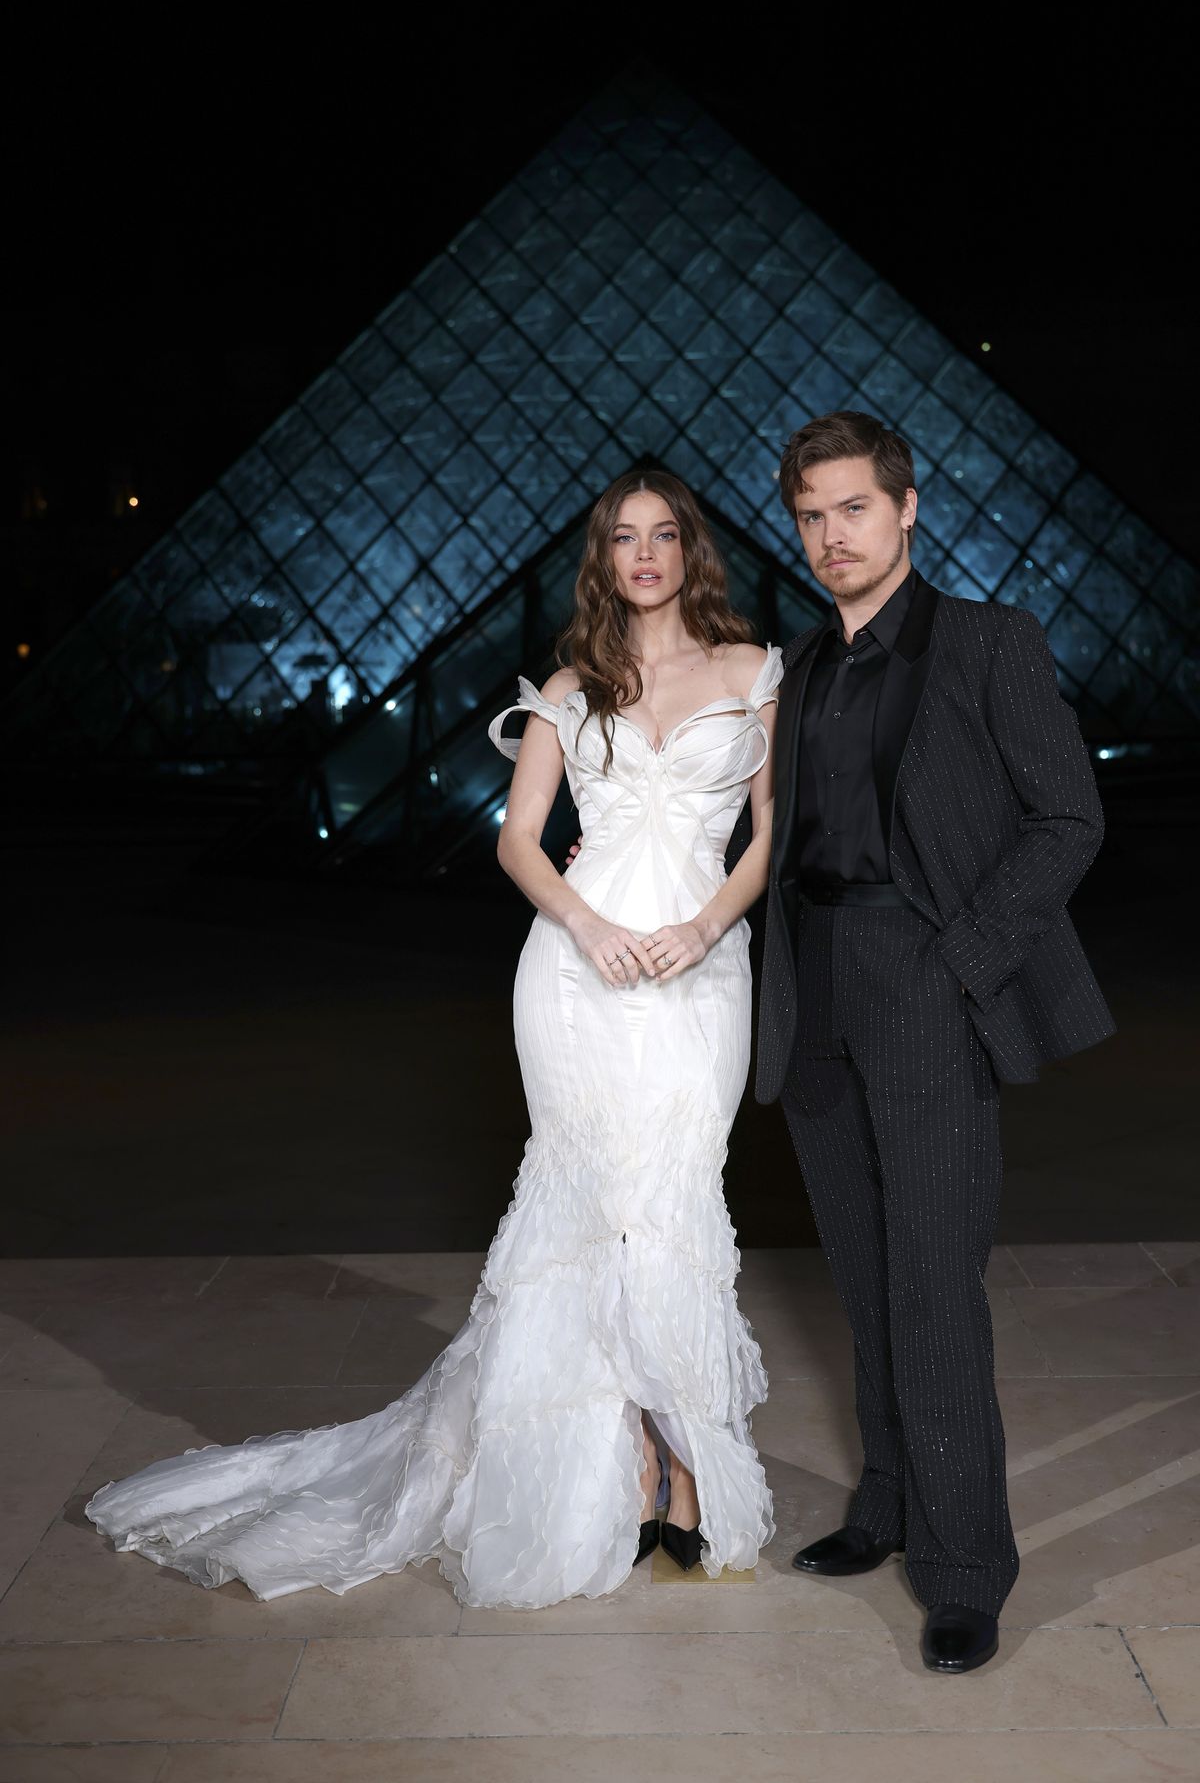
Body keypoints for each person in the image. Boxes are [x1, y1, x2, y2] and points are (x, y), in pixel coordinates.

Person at [85, 470, 781, 1609]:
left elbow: (766, 838)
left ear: (692, 551)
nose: (644, 554)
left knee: (672, 1205)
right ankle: (657, 1472)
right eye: (622, 537)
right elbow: (518, 842)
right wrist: (592, 928)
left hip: (703, 973)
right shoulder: (569, 684)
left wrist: (705, 928)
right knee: (592, 1213)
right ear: (602, 558)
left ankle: (669, 1451)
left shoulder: (758, 674)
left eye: (663, 535)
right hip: (576, 972)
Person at [757, 411, 1114, 1672]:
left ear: (908, 509)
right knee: (862, 1276)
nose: (829, 535)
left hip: (925, 984)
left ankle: (967, 1566)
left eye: (853, 508)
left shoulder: (986, 643)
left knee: (935, 1285)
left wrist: (962, 959)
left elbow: (1069, 817)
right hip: (813, 996)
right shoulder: (795, 667)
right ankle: (890, 1506)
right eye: (810, 515)